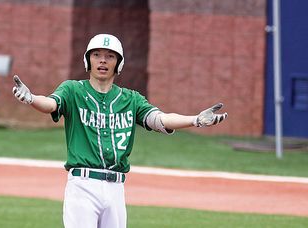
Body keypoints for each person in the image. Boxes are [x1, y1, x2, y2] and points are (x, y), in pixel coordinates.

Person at [12, 34, 227, 228]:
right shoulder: (72, 90)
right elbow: (50, 104)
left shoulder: (131, 99)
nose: (103, 60)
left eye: (110, 56)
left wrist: (195, 120)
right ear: (88, 61)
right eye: (96, 55)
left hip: (116, 188)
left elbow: (160, 119)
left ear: (119, 64)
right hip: (83, 186)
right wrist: (31, 99)